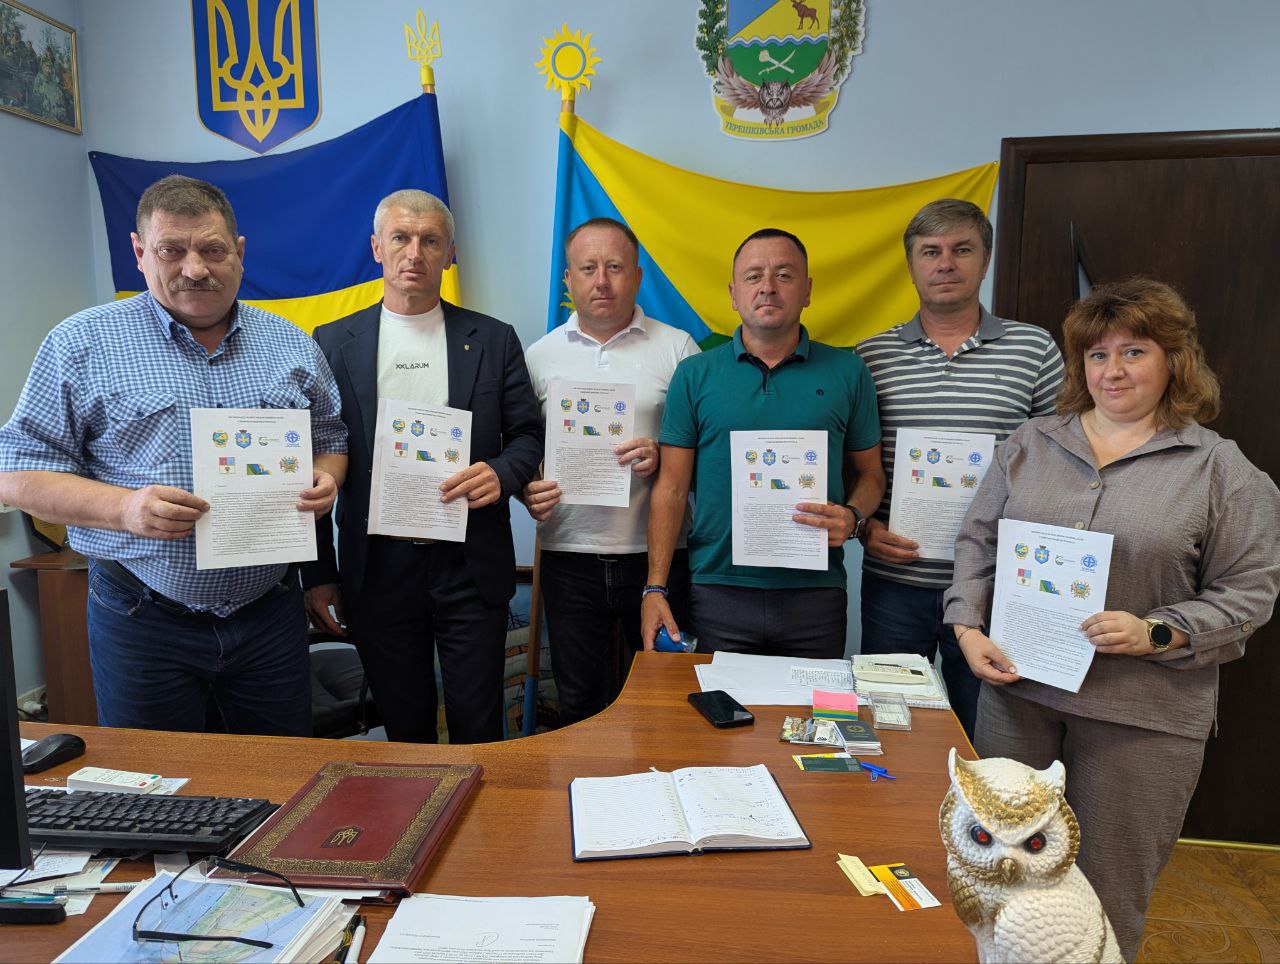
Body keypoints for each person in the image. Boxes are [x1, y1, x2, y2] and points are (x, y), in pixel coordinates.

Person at [943, 278, 1280, 961]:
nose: (1113, 371)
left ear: (1174, 362)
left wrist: (1156, 631)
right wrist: (967, 628)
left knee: (1106, 892)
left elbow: (1250, 591)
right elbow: (978, 543)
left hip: (1143, 714)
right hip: (1018, 696)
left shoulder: (1220, 470)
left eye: (1134, 352)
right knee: (992, 878)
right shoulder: (1031, 443)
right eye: (1098, 355)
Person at [0, 175, 348, 736]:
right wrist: (124, 509)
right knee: (159, 780)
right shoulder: (80, 343)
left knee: (279, 772)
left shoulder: (292, 343)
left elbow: (330, 439)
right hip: (143, 618)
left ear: (239, 252)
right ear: (139, 253)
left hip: (270, 613)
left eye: (212, 249)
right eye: (171, 250)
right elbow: (17, 473)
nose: (195, 268)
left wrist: (326, 479)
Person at [302, 189, 542, 745]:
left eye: (430, 241)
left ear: (450, 253)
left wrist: (501, 473)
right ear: (376, 248)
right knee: (405, 732)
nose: (415, 253)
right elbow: (314, 461)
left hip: (469, 562)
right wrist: (318, 574)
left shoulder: (494, 338)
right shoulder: (332, 342)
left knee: (479, 727)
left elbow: (528, 435)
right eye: (401, 238)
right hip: (377, 567)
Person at [855, 199, 1064, 737]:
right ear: (911, 265)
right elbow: (852, 465)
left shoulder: (1034, 349)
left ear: (985, 260)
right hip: (897, 583)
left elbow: (1062, 462)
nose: (945, 263)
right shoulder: (869, 358)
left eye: (961, 249)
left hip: (995, 587)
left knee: (988, 734)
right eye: (930, 252)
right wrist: (863, 528)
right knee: (890, 728)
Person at [642, 228, 884, 657]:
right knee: (717, 703)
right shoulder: (694, 375)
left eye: (784, 275)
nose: (768, 287)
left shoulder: (849, 372)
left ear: (807, 291)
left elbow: (870, 475)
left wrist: (853, 516)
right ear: (734, 294)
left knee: (812, 704)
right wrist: (655, 588)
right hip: (718, 590)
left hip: (815, 595)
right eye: (753, 276)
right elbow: (672, 488)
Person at [523, 218, 699, 725]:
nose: (602, 281)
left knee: (667, 703)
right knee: (580, 705)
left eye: (615, 267)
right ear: (569, 279)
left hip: (659, 559)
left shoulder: (678, 349)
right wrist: (525, 489)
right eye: (588, 268)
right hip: (569, 556)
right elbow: (520, 448)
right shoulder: (540, 356)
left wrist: (664, 455)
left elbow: (706, 455)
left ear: (637, 276)